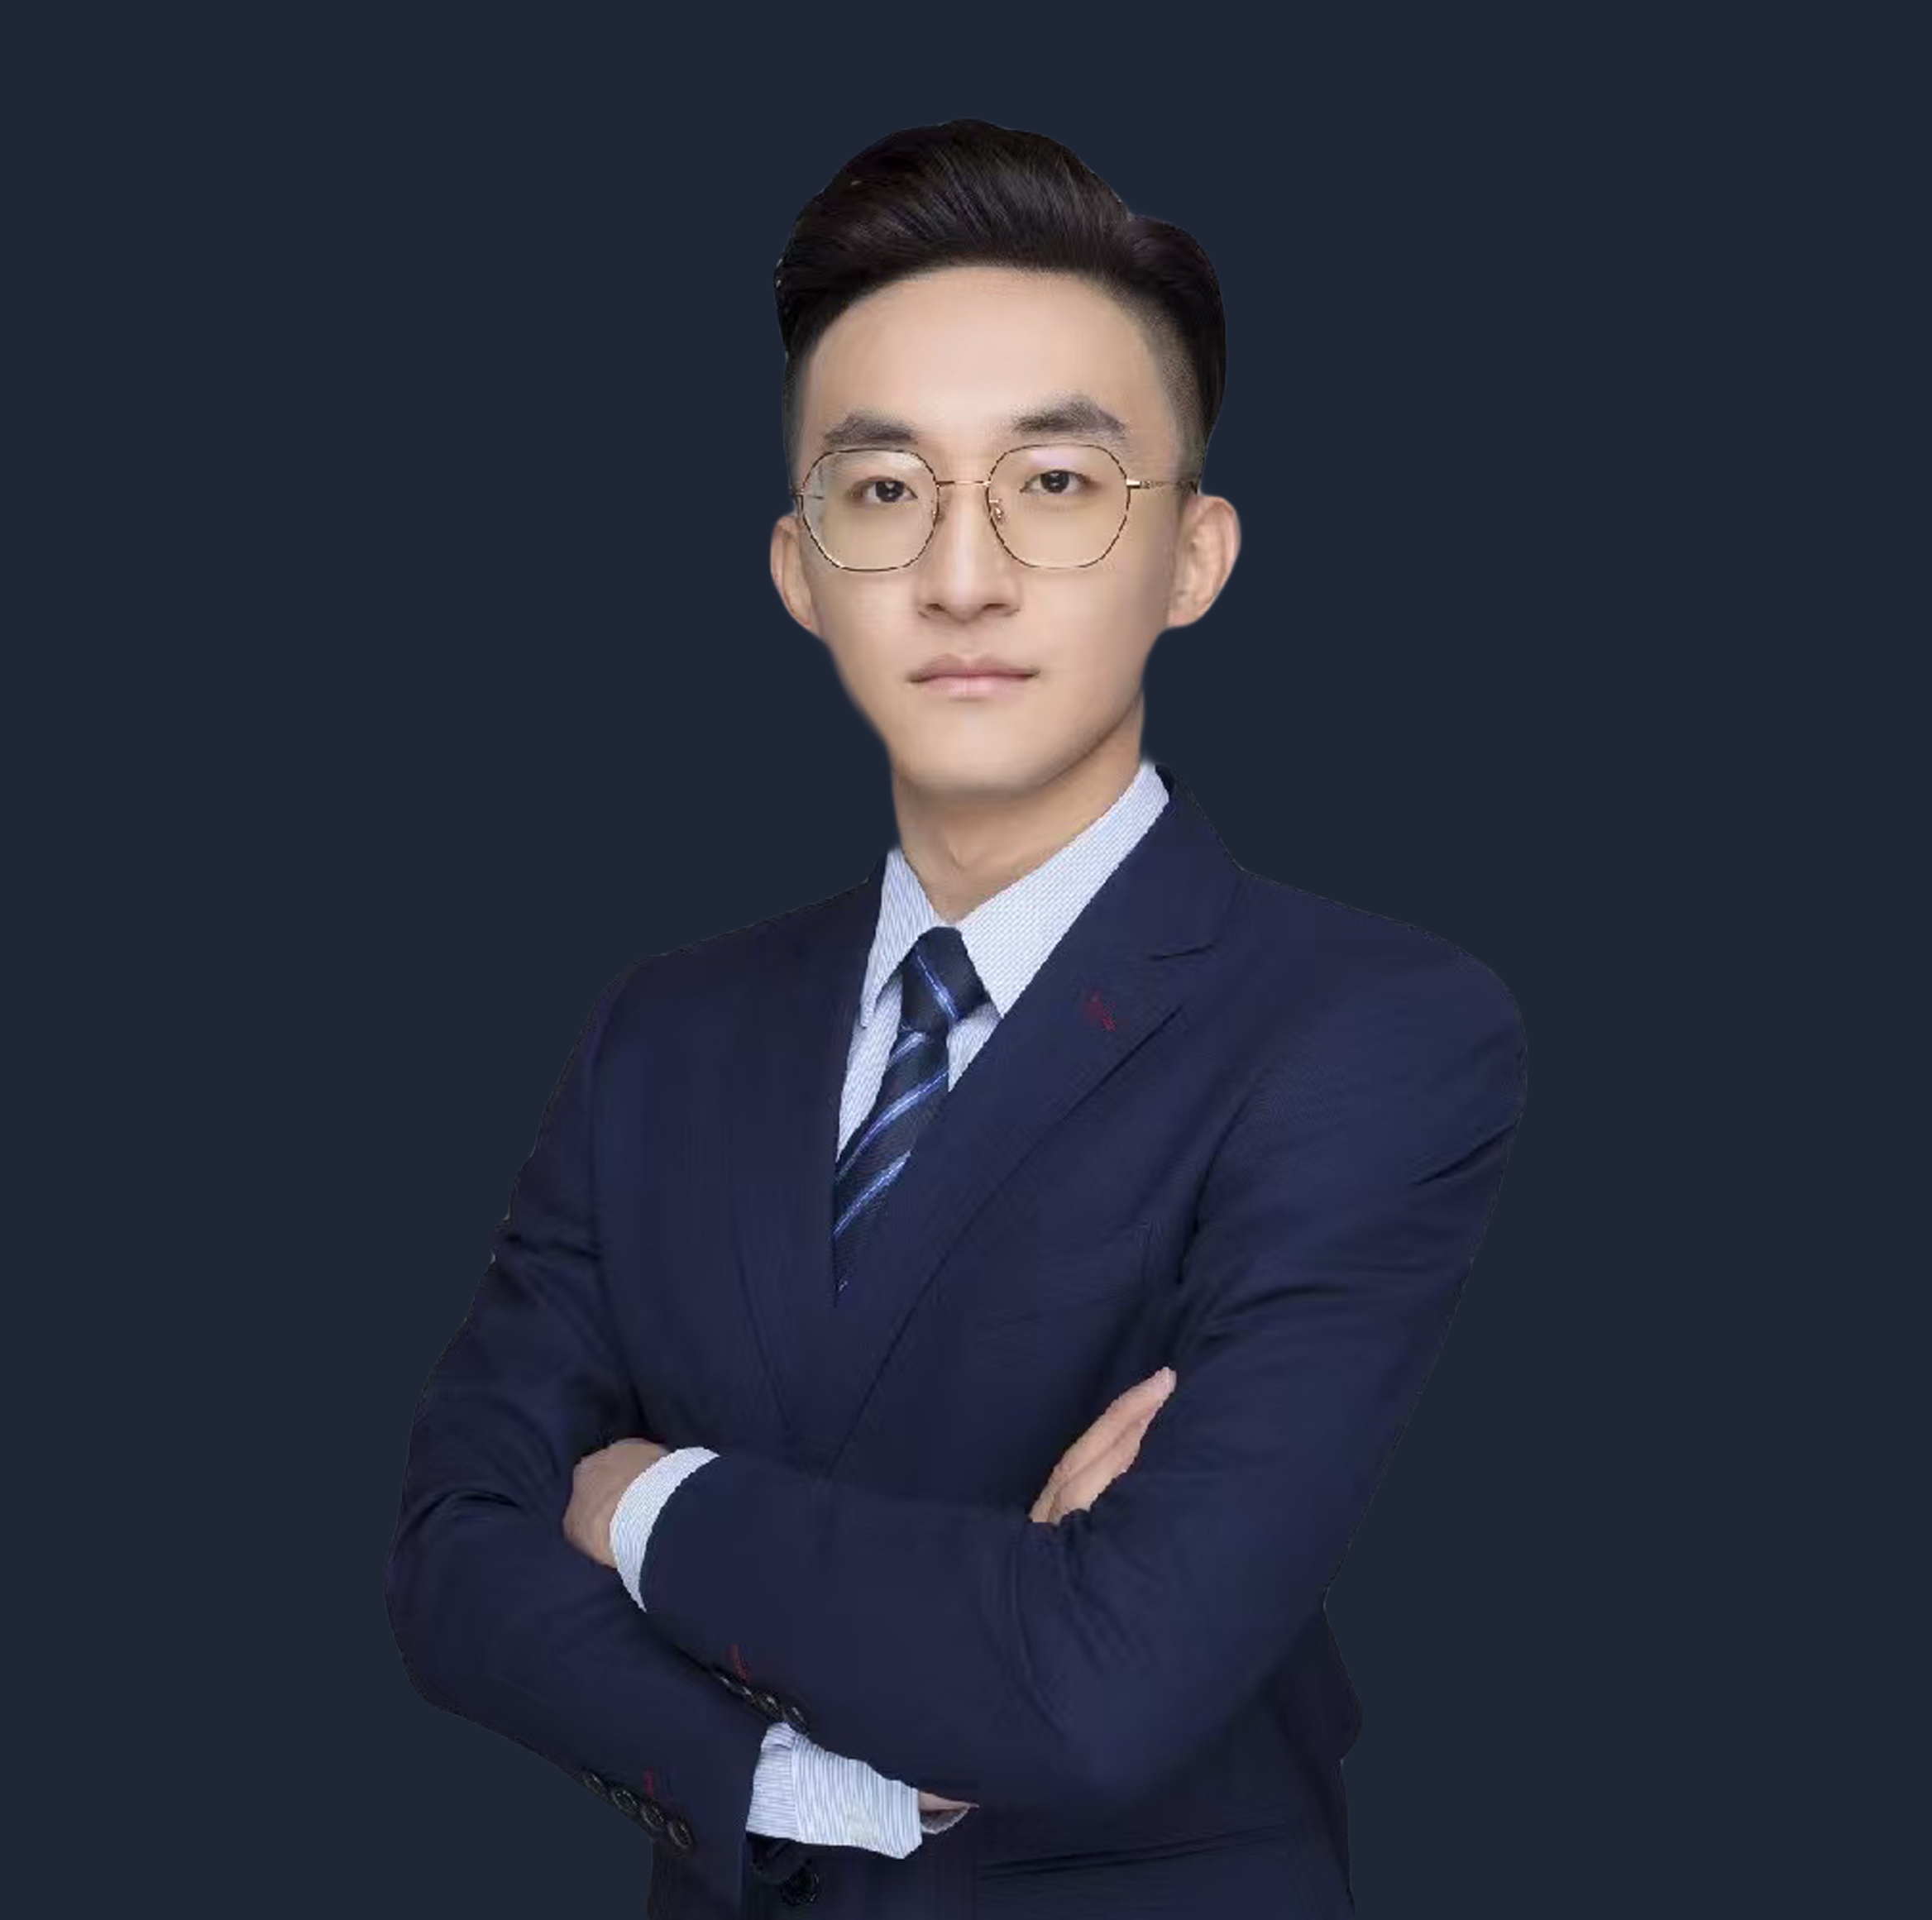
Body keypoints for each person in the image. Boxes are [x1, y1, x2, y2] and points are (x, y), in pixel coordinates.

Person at [385, 117, 1527, 1919]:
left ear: (1195, 556)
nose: (962, 573)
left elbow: (1103, 1680)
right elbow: (452, 1553)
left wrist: (640, 1504)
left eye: (1055, 484)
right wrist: (793, 1779)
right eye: (882, 491)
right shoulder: (659, 1036)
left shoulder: (1368, 1033)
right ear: (799, 569)